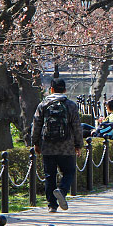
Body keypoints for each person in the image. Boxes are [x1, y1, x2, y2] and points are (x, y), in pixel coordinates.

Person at [31, 77, 83, 213]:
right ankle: (62, 190)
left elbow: (36, 125)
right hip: (67, 146)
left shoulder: (43, 105)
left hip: (48, 146)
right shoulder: (71, 105)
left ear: (51, 89)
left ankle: (52, 205)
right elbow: (77, 127)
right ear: (65, 90)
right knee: (69, 172)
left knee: (50, 175)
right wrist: (78, 144)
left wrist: (36, 143)